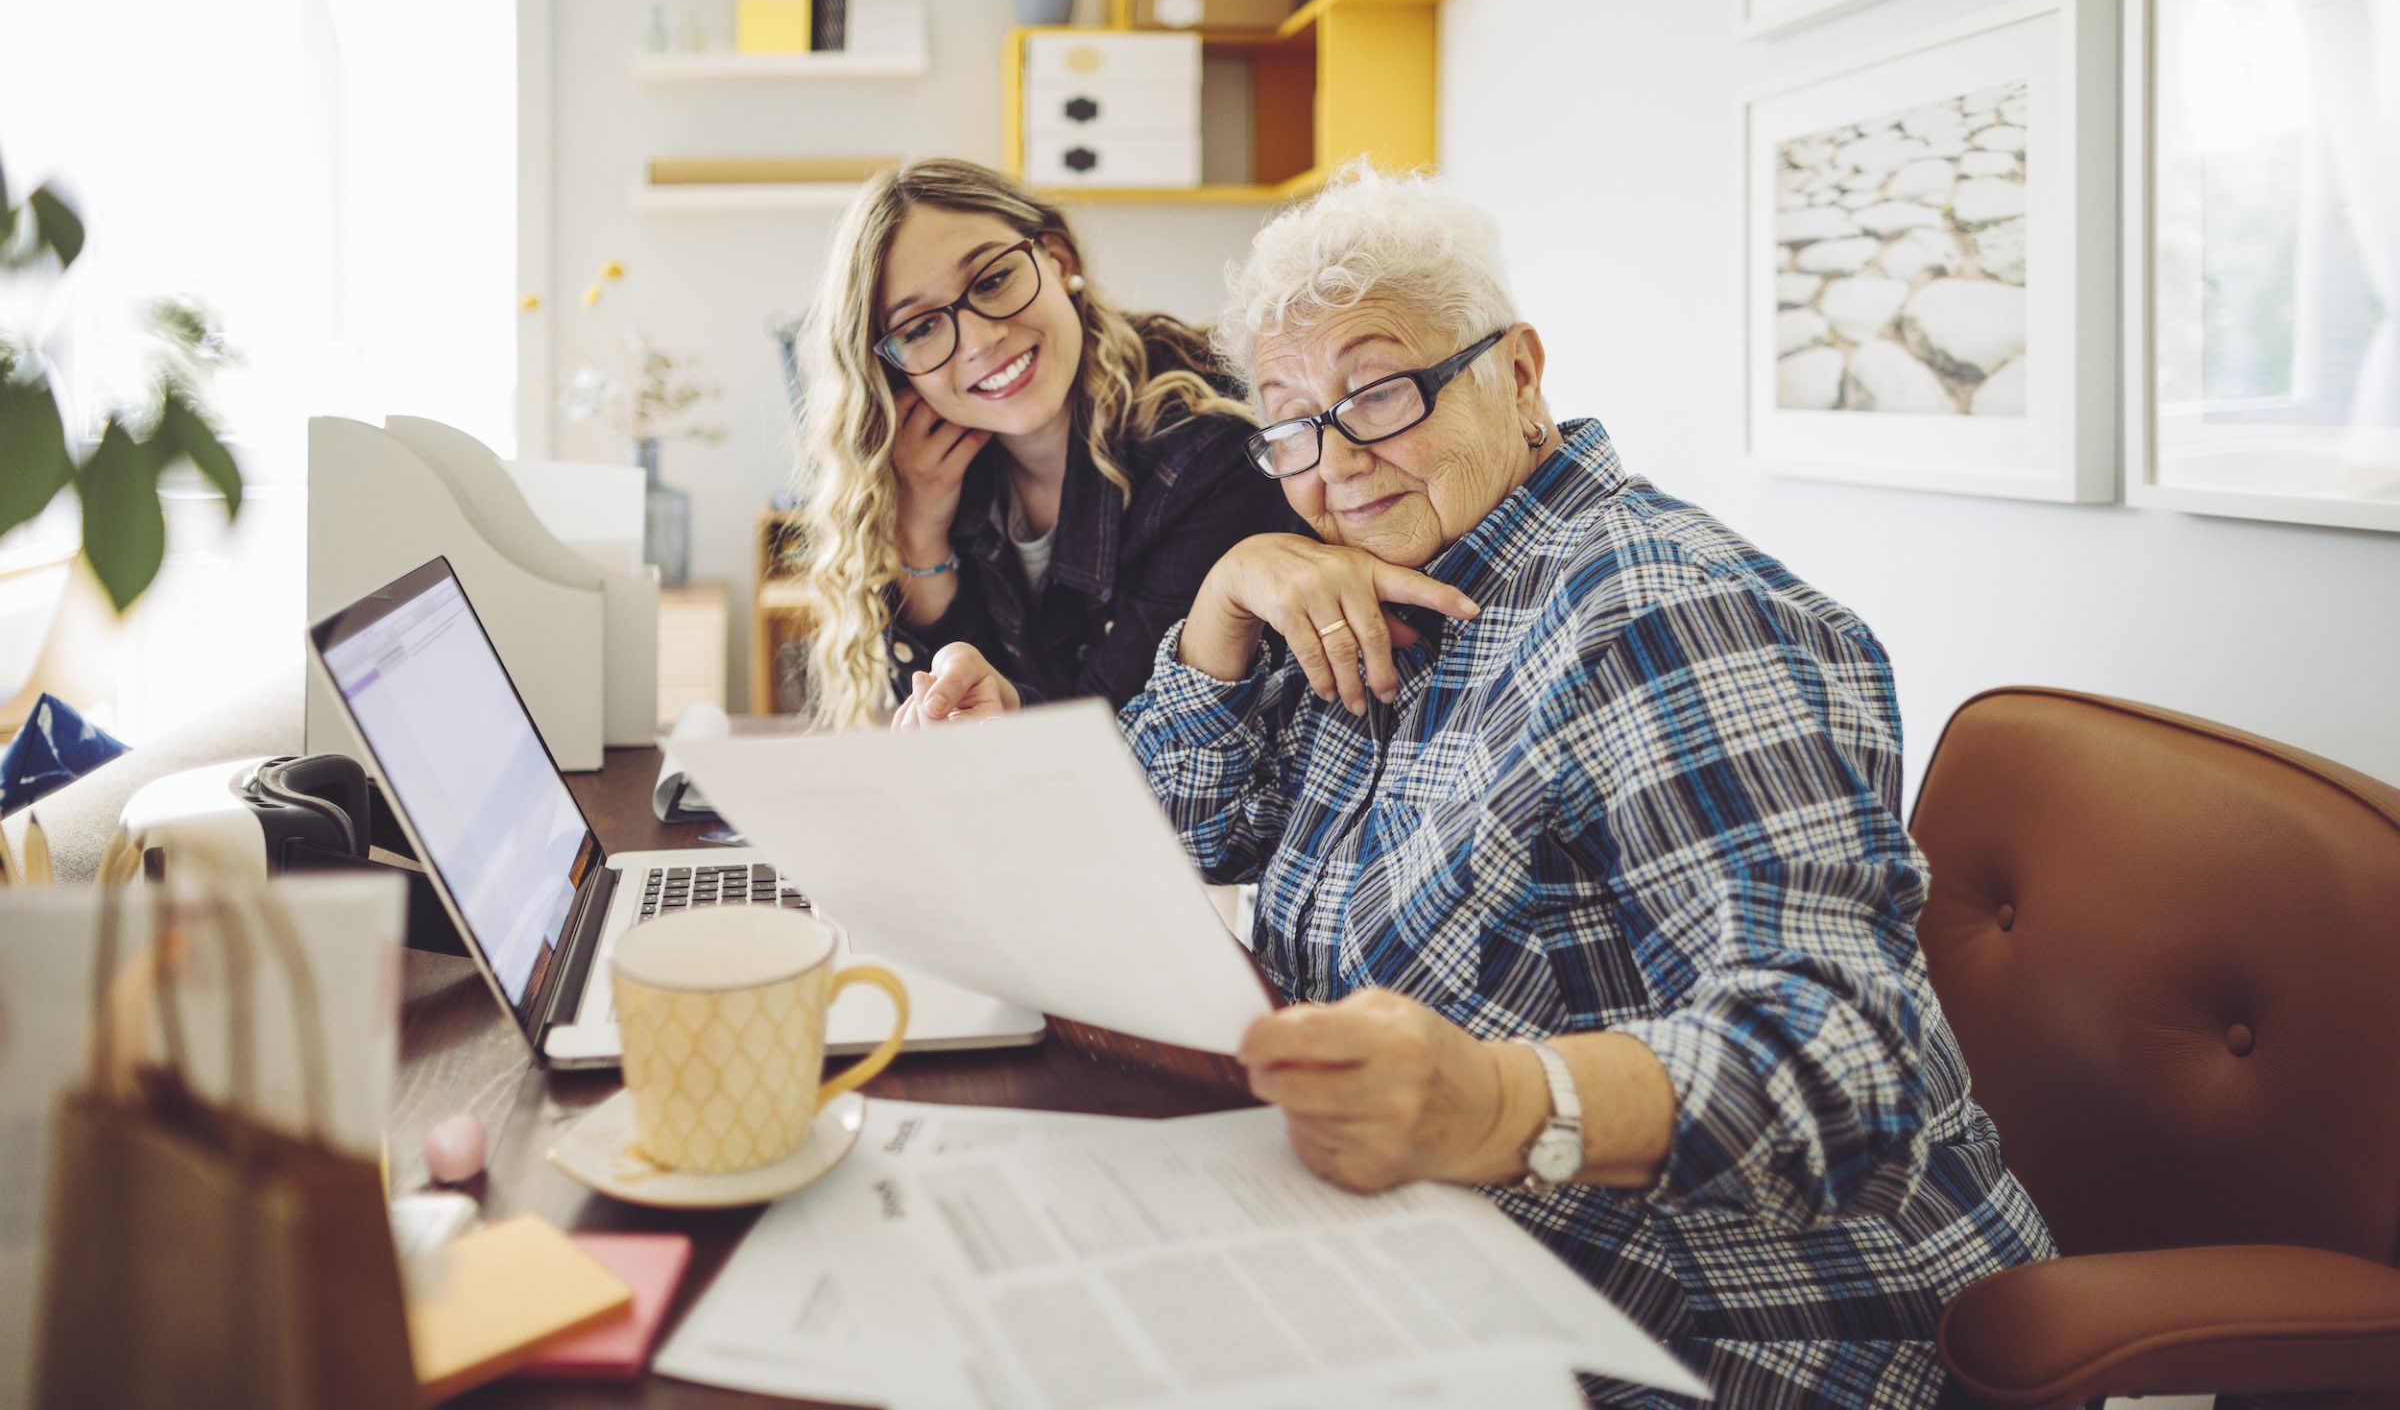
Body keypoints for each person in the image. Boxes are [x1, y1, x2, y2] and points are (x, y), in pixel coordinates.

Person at [895, 165, 2055, 1407]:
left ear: (1517, 373)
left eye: (1378, 393)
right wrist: (1219, 617)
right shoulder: (1400, 587)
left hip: (1742, 1340)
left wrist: (1502, 1101)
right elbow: (1190, 835)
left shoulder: (1662, 614)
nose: (1331, 463)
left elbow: (1853, 1056)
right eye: (1288, 422)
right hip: (1454, 1265)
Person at [787, 157, 1297, 728]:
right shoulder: (935, 468)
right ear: (895, 372)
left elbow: (1120, 741)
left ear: (1058, 260)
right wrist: (920, 536)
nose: (980, 340)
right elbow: (952, 720)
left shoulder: (1204, 449)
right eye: (920, 327)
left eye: (993, 279)